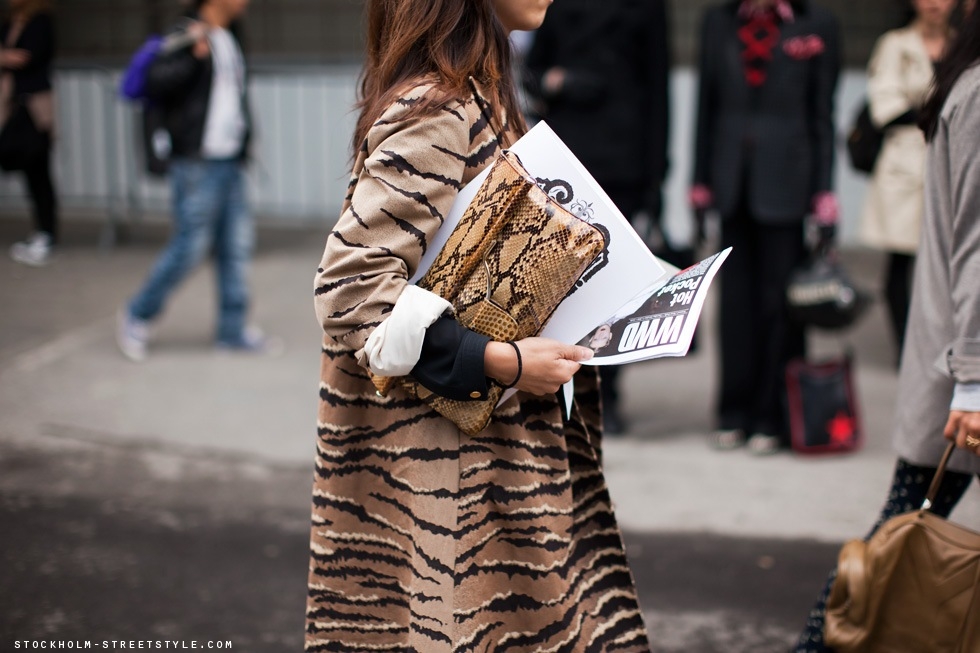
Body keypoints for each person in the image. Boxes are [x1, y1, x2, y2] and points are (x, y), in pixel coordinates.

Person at [305, 0, 652, 650]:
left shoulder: (481, 93)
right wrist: (508, 364)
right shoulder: (435, 107)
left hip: (486, 461)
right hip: (446, 480)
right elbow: (351, 293)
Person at [794, 1, 980, 648]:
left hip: (959, 364)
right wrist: (973, 381)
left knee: (900, 528)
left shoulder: (964, 81)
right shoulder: (975, 91)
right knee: (899, 537)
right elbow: (977, 252)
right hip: (964, 368)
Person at [691, 0, 841, 455]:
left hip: (789, 179)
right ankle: (732, 411)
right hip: (730, 177)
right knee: (734, 303)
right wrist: (699, 179)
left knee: (779, 303)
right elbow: (705, 106)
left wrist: (824, 191)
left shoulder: (817, 24)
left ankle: (772, 416)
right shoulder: (717, 22)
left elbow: (822, 113)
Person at [524, 0, 671, 435]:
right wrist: (558, 81)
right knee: (556, 281)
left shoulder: (647, 8)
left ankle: (605, 393)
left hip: (623, 160)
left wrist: (656, 175)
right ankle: (555, 385)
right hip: (565, 156)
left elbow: (658, 90)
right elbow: (533, 70)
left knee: (614, 285)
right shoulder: (555, 4)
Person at [116, 0, 268, 361]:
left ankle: (232, 330)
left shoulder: (230, 36)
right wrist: (191, 60)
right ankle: (137, 314)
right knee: (190, 246)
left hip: (230, 160)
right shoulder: (186, 34)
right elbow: (155, 83)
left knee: (235, 247)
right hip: (197, 162)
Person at [859, 0, 956, 365]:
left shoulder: (961, 42)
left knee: (947, 261)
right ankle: (906, 348)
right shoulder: (895, 44)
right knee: (901, 261)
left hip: (949, 160)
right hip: (904, 164)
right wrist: (940, 110)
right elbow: (885, 107)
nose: (935, 4)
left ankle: (940, 344)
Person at [2, 0, 56, 267]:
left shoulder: (40, 22)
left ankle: (46, 232)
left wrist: (5, 56)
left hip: (34, 108)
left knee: (38, 170)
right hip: (10, 105)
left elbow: (27, 57)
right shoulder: (10, 21)